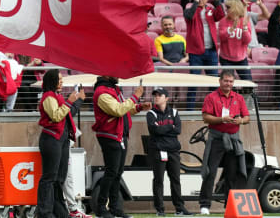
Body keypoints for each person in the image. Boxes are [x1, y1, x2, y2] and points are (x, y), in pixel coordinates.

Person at [92, 76, 151, 218]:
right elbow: (118, 110)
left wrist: (138, 107)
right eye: (115, 72)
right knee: (111, 172)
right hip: (110, 136)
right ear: (106, 74)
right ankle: (101, 208)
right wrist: (136, 96)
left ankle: (115, 208)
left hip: (119, 136)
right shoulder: (101, 92)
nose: (118, 75)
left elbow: (124, 109)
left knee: (117, 173)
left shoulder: (113, 89)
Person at [198, 71, 250, 215]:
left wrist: (240, 121)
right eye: (226, 81)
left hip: (233, 139)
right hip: (217, 139)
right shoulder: (211, 97)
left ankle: (230, 205)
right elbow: (205, 117)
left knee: (232, 174)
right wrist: (222, 119)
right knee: (210, 172)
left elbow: (247, 117)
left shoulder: (238, 98)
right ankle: (205, 205)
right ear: (220, 81)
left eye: (231, 82)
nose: (228, 84)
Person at [36, 69, 84, 218]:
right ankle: (45, 212)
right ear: (52, 81)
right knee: (49, 178)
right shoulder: (48, 97)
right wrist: (70, 101)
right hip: (51, 139)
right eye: (60, 79)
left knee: (59, 179)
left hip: (61, 140)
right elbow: (56, 116)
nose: (62, 82)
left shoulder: (57, 96)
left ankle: (59, 211)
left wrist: (77, 101)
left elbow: (67, 113)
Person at [146, 87, 190, 216]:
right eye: (155, 95)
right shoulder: (151, 113)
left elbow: (178, 130)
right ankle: (160, 209)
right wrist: (170, 127)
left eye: (159, 95)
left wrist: (164, 129)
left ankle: (180, 208)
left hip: (173, 151)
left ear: (166, 98)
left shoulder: (175, 112)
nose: (156, 97)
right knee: (159, 180)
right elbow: (154, 131)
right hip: (158, 151)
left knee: (175, 179)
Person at [185, 0, 224, 77]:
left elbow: (221, 15)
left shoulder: (210, 10)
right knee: (194, 81)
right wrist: (196, 1)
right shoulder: (188, 10)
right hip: (195, 52)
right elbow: (190, 16)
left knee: (213, 80)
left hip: (211, 51)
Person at [218, 0, 252, 81]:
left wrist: (244, 28)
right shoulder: (223, 21)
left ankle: (245, 94)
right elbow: (221, 38)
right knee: (228, 83)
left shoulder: (244, 21)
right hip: (226, 59)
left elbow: (247, 41)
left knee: (248, 83)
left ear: (234, 8)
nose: (226, 9)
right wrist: (231, 29)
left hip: (241, 58)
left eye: (228, 7)